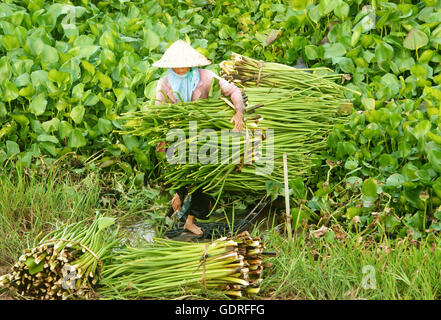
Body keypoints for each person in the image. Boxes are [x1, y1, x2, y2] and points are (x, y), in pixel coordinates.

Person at [153, 40, 245, 235]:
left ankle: (190, 219)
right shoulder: (164, 83)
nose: (181, 67)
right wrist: (162, 137)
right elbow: (159, 113)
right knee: (180, 174)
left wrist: (239, 112)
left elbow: (233, 91)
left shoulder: (206, 78)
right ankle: (178, 200)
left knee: (203, 178)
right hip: (179, 137)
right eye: (176, 64)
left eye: (184, 62)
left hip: (204, 135)